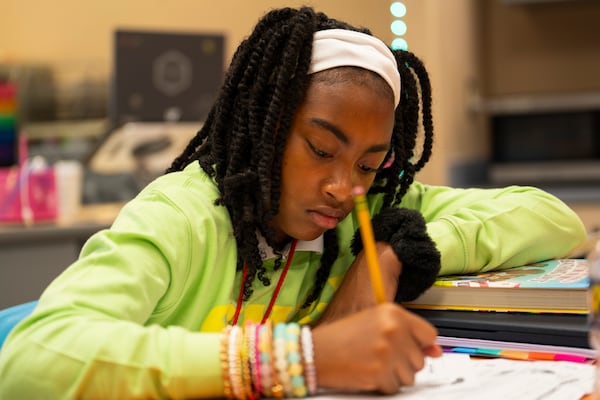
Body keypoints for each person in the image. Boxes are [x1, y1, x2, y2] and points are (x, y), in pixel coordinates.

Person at [0, 6, 586, 399]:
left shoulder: (364, 209)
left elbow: (554, 220)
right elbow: (30, 360)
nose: (344, 187)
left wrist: (394, 248)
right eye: (320, 149)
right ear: (267, 129)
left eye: (368, 162)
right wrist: (301, 356)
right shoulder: (183, 217)